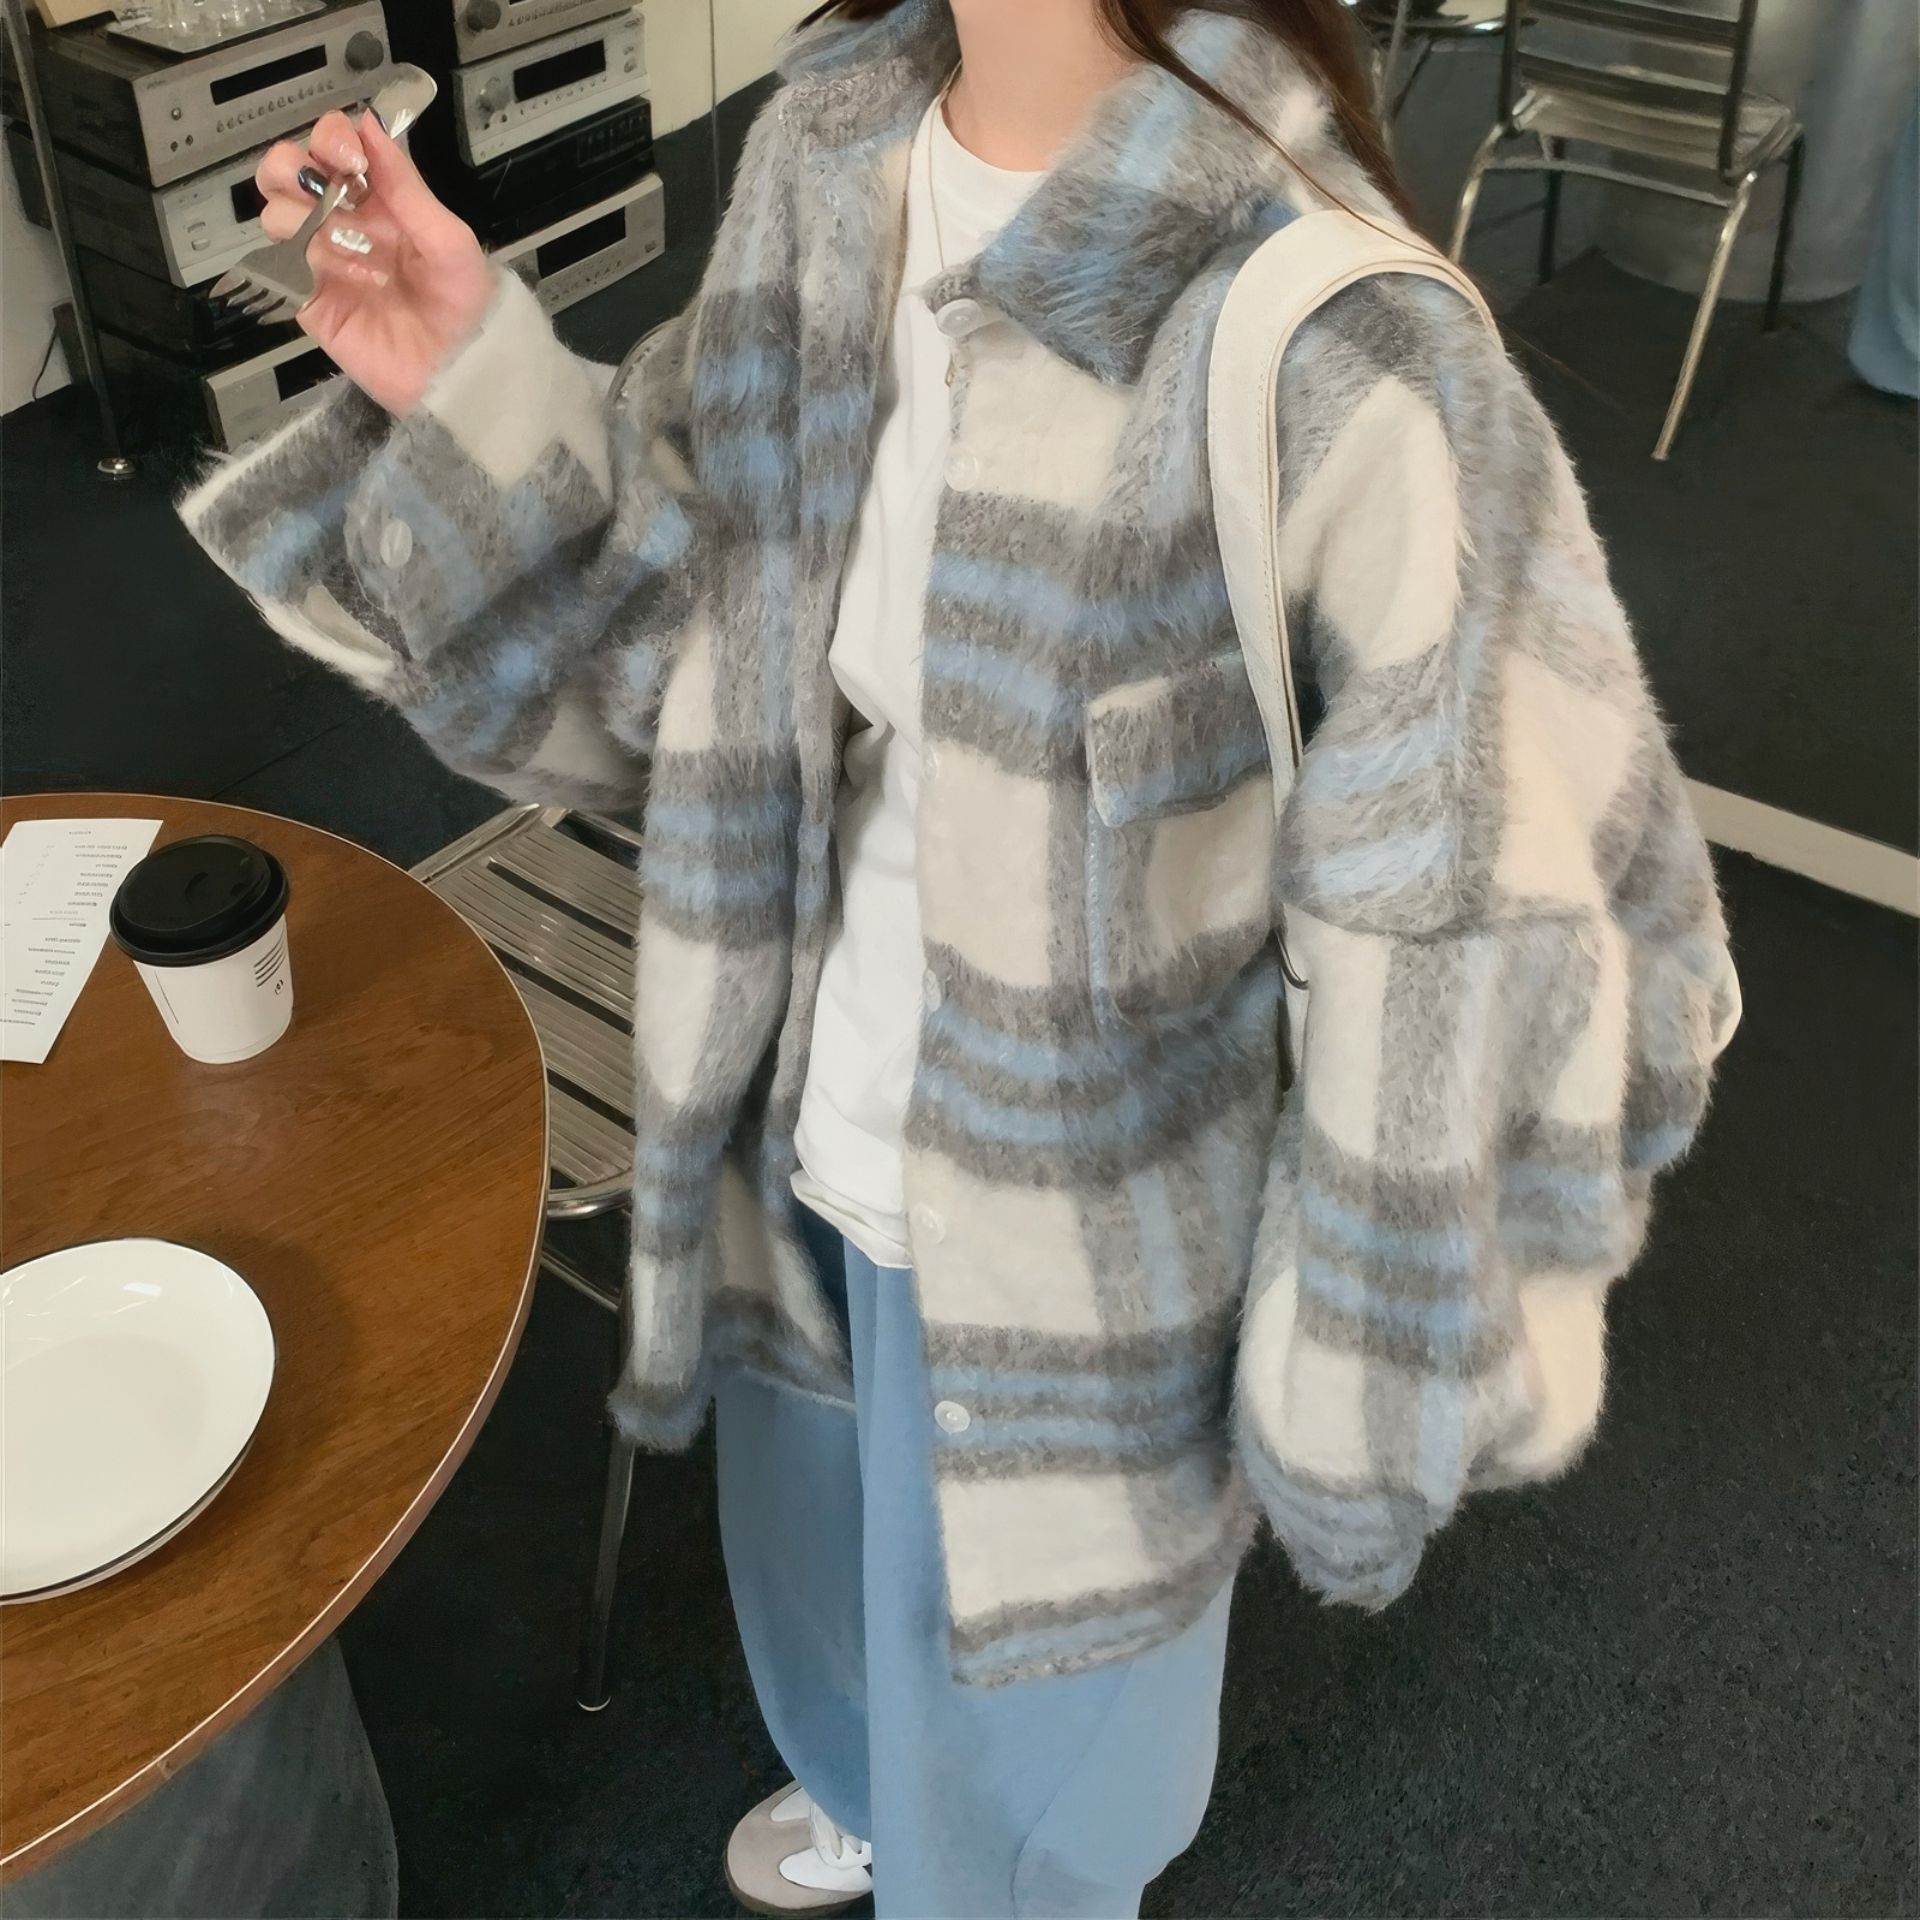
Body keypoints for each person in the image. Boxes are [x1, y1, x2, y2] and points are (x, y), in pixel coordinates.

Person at [180, 1, 1741, 1911]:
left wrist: (1362, 1356)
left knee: (1034, 1752)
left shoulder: (1336, 339)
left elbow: (1496, 916)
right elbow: (689, 638)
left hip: (1079, 1234)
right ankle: (872, 1792)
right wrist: (466, 373)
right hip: (798, 1092)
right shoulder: (837, 154)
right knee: (834, 1590)